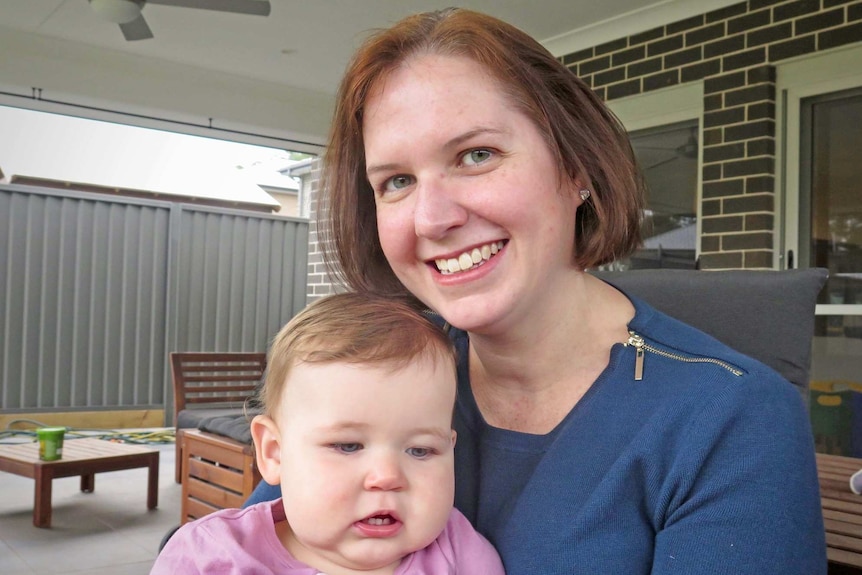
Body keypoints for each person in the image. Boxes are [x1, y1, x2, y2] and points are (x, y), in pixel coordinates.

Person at [248, 8, 827, 574]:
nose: (431, 218)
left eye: (476, 155)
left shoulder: (731, 420)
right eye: (397, 181)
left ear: (577, 167)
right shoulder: (380, 374)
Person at [153, 292, 505, 575]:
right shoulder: (209, 557)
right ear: (275, 452)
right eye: (348, 445)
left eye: (420, 450)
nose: (387, 477)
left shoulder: (462, 556)